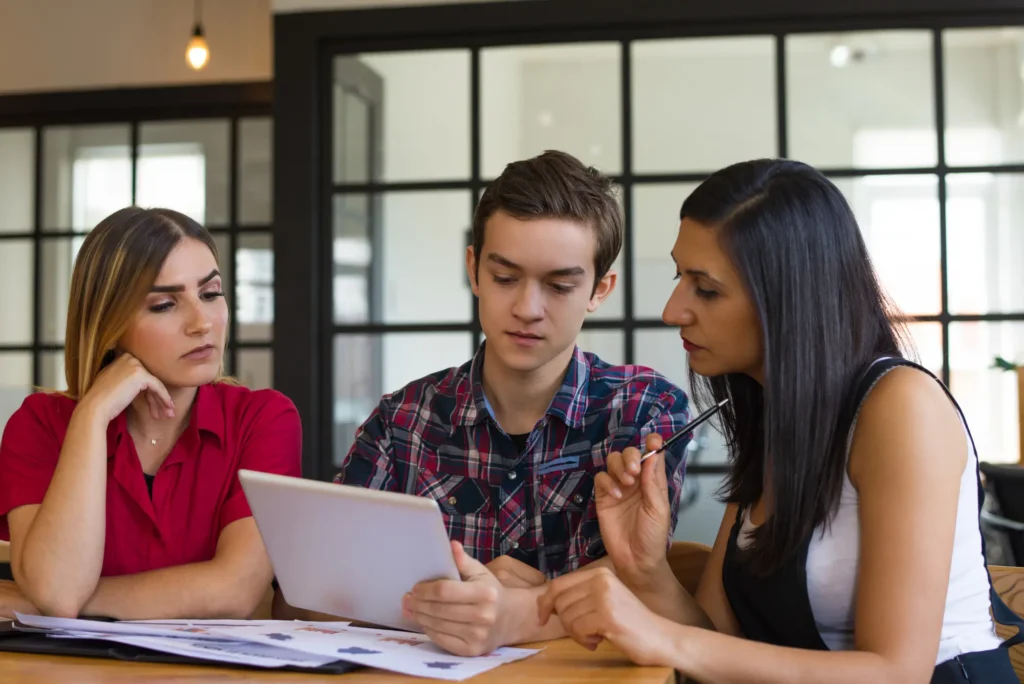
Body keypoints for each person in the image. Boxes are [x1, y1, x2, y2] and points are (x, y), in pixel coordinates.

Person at [537, 158, 1021, 683]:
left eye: (706, 289)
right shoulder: (779, 419)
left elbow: (897, 673)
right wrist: (645, 569)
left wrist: (662, 636)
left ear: (789, 297)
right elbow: (721, 647)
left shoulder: (901, 407)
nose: (673, 310)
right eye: (680, 277)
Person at [279, 150, 692, 655]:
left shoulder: (645, 409)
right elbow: (314, 591)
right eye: (505, 278)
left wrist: (525, 608)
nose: (527, 308)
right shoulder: (401, 421)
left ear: (599, 289)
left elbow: (641, 578)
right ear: (474, 269)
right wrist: (489, 603)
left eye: (560, 286)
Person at [0, 207, 302, 620]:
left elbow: (233, 592)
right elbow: (57, 591)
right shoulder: (40, 424)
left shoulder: (264, 419)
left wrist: (33, 603)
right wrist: (92, 415)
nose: (201, 323)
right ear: (108, 325)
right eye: (164, 305)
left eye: (210, 294)